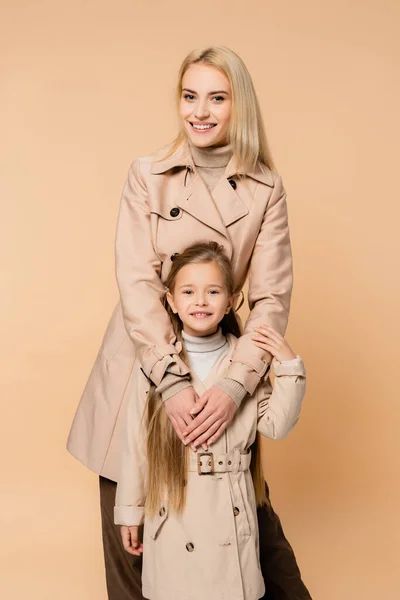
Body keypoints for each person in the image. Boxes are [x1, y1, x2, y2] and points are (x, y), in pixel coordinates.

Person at [67, 45, 312, 599]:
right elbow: (137, 285)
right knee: (131, 542)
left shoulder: (265, 187)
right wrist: (171, 382)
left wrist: (232, 385)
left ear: (238, 105)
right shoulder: (147, 175)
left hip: (224, 372)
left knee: (254, 540)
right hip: (143, 371)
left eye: (217, 98)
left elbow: (271, 300)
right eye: (189, 95)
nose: (200, 111)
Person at [114, 242, 306, 600]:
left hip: (230, 511)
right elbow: (136, 443)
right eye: (188, 291)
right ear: (170, 301)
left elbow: (276, 425)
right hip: (172, 509)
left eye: (213, 291)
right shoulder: (157, 363)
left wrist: (289, 366)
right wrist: (129, 510)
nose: (200, 302)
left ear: (232, 300)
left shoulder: (245, 362)